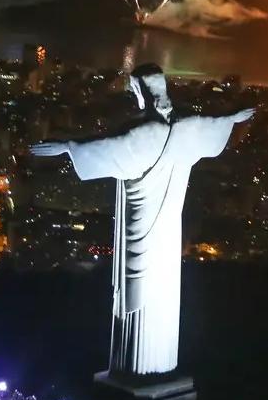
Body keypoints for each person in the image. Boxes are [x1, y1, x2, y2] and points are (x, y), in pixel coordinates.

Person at [30, 64, 253, 376]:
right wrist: (233, 117)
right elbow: (213, 124)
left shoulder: (143, 133)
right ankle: (158, 365)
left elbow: (106, 147)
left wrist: (67, 147)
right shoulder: (187, 124)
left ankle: (136, 370)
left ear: (139, 91)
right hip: (168, 232)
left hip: (140, 228)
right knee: (162, 292)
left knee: (137, 292)